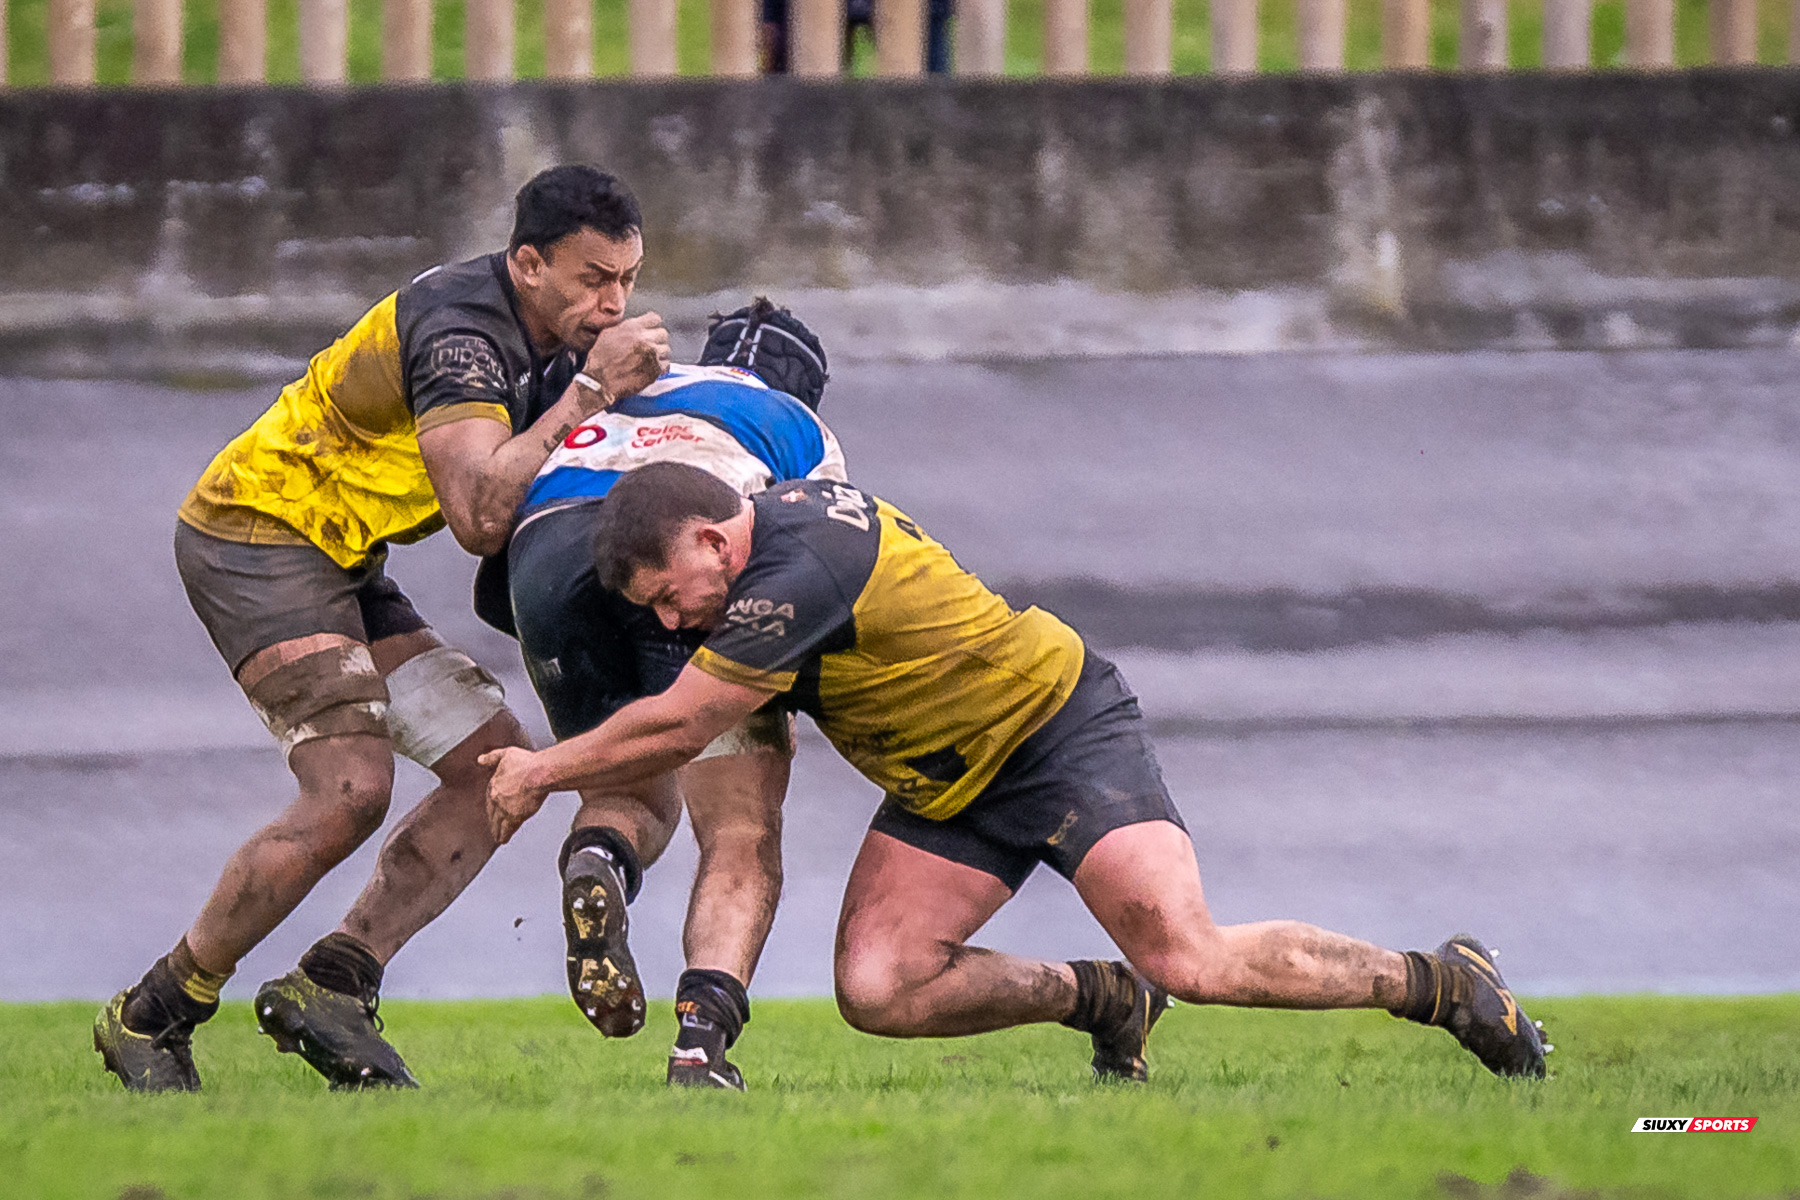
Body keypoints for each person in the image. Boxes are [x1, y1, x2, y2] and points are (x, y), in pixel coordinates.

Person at [480, 464, 1553, 1082]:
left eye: (672, 597)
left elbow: (683, 724)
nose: (671, 622)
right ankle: (1098, 998)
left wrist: (539, 770)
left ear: (717, 541)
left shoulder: (796, 570)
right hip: (952, 787)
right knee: (878, 990)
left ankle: (1441, 981)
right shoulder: (763, 546)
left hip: (1056, 729)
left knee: (1192, 954)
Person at [92, 165, 671, 1093]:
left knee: (496, 774)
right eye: (594, 278)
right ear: (528, 263)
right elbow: (481, 514)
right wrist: (591, 395)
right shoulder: (460, 338)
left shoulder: (563, 344)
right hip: (257, 531)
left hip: (344, 558)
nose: (615, 302)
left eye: (629, 280)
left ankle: (337, 982)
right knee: (351, 788)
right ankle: (156, 1012)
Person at [503, 299, 844, 1088]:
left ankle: (599, 858)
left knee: (629, 778)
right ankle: (700, 1041)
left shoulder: (639, 387)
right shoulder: (794, 422)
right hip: (682, 554)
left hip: (545, 551)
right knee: (738, 823)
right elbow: (809, 552)